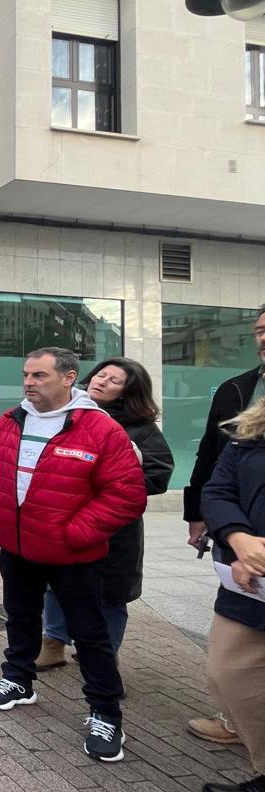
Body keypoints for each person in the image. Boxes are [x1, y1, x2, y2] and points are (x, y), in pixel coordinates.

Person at [0, 347, 146, 762]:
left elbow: (126, 495)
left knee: (90, 636)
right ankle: (18, 680)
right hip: (16, 548)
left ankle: (105, 712)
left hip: (74, 556)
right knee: (20, 617)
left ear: (69, 377)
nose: (28, 383)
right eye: (26, 375)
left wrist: (74, 533)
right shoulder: (9, 420)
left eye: (39, 376)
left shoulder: (100, 429)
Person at [36, 357, 174, 669]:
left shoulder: (141, 429)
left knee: (111, 594)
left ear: (129, 392)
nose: (101, 381)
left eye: (114, 381)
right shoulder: (63, 413)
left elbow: (158, 475)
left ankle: (102, 658)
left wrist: (116, 469)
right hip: (62, 520)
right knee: (56, 583)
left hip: (114, 528)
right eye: (101, 374)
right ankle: (53, 643)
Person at [182, 304, 265, 745]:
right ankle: (239, 723)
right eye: (259, 331)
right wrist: (221, 527)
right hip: (240, 544)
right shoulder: (240, 394)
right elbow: (212, 464)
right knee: (231, 663)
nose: (264, 338)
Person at [197, 399, 265, 792]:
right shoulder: (248, 432)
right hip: (249, 585)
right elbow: (218, 490)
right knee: (230, 676)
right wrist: (239, 540)